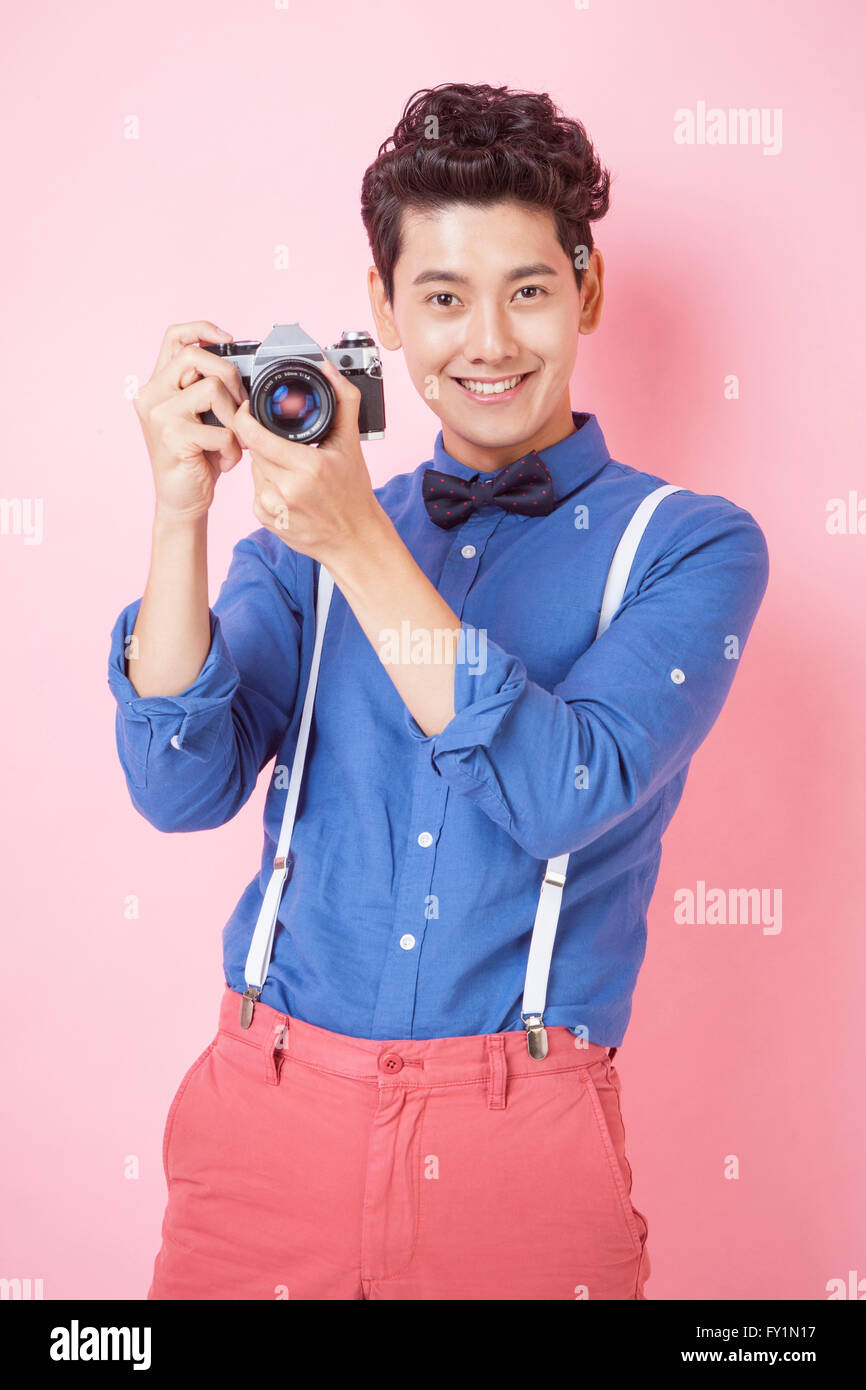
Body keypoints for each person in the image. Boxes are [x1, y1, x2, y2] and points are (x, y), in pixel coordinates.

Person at [107, 82, 769, 1301]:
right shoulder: (295, 539)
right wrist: (182, 514)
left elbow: (564, 791)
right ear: (382, 311)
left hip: (523, 1144)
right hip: (263, 1119)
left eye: (526, 290)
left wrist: (357, 536)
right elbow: (174, 783)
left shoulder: (689, 545)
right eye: (442, 298)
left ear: (588, 287)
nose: (488, 342)